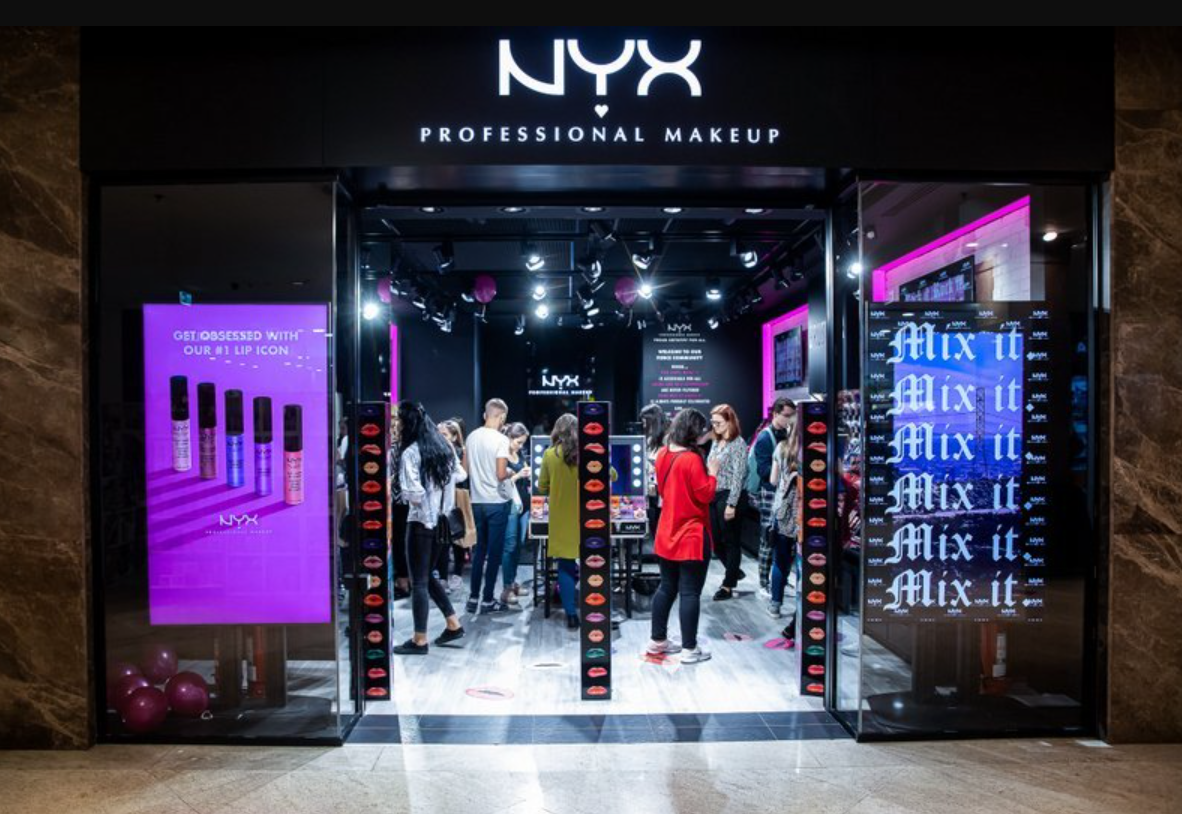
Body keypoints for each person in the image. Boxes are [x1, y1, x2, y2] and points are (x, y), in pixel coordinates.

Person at [647, 408, 720, 664]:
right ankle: (689, 649)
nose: (705, 434)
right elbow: (705, 494)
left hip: (666, 531)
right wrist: (713, 472)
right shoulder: (692, 459)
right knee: (690, 593)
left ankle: (657, 641)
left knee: (666, 587)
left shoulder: (663, 454)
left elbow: (664, 490)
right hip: (691, 534)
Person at [392, 401, 466, 655]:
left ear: (408, 423)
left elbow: (413, 494)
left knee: (419, 582)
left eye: (399, 421)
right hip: (443, 524)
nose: (397, 426)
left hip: (420, 523)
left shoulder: (411, 452)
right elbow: (461, 475)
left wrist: (404, 490)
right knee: (427, 575)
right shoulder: (445, 447)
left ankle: (419, 640)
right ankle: (453, 624)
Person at [464, 398, 514, 614]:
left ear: (485, 415)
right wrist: (511, 472)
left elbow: (465, 471)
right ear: (502, 417)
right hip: (496, 503)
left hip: (476, 502)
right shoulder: (501, 439)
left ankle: (473, 598)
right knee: (494, 554)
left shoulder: (471, 436)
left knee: (479, 552)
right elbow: (501, 474)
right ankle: (487, 600)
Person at [537, 414, 582, 628]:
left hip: (561, 518)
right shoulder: (589, 453)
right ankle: (596, 611)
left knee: (565, 565)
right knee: (594, 563)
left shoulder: (549, 454)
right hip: (589, 517)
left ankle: (571, 614)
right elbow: (612, 475)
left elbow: (541, 487)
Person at [751, 397, 796, 598]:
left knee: (786, 538)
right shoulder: (764, 438)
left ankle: (780, 579)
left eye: (792, 415)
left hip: (786, 493)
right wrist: (786, 473)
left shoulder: (789, 435)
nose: (790, 419)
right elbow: (763, 471)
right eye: (786, 415)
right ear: (776, 414)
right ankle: (763, 583)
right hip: (770, 492)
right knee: (768, 538)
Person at [706, 404, 748, 600]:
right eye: (713, 423)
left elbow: (739, 476)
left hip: (731, 495)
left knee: (731, 541)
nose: (715, 426)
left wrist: (732, 504)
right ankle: (734, 570)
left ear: (730, 421)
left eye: (718, 423)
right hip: (714, 494)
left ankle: (728, 585)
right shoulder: (716, 441)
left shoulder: (738, 444)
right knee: (715, 541)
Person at [768, 418, 802, 634]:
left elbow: (773, 480)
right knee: (803, 563)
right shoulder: (818, 452)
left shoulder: (781, 448)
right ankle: (802, 607)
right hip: (806, 514)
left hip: (783, 512)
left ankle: (775, 604)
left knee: (780, 561)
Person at [500, 422, 532, 606]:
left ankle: (512, 582)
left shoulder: (519, 454)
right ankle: (506, 588)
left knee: (518, 546)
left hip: (523, 505)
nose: (520, 446)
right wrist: (519, 475)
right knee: (510, 546)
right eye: (518, 442)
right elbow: (500, 480)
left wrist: (527, 473)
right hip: (510, 504)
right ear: (509, 438)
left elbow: (524, 469)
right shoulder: (502, 455)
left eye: (522, 443)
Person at [437, 419, 469, 593]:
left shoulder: (459, 452)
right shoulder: (433, 451)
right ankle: (442, 578)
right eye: (439, 434)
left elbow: (463, 476)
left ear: (454, 436)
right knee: (442, 542)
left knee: (457, 538)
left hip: (456, 499)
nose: (440, 437)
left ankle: (456, 574)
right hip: (438, 504)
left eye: (444, 434)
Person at [639, 403, 669, 536]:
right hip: (650, 484)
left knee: (661, 519)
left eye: (646, 421)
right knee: (651, 518)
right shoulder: (647, 436)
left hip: (663, 485)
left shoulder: (668, 438)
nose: (643, 424)